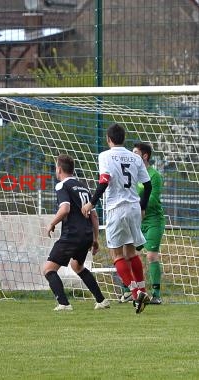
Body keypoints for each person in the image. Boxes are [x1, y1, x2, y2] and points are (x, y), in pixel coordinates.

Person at [81, 123, 153, 314]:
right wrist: (143, 207)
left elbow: (104, 181)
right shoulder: (135, 157)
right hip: (134, 208)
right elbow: (148, 185)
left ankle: (135, 292)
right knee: (131, 253)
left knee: (117, 255)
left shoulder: (105, 155)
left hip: (116, 208)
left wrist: (91, 203)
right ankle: (143, 290)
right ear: (124, 138)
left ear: (108, 139)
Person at [44, 154, 110, 311]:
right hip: (86, 235)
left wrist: (52, 223)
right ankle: (101, 300)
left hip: (72, 235)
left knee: (48, 269)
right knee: (77, 266)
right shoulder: (83, 187)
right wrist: (94, 239)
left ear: (59, 169)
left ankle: (64, 304)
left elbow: (65, 208)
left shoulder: (62, 186)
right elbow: (93, 215)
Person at [118, 142, 165, 304]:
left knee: (151, 255)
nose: (132, 155)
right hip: (136, 220)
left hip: (152, 221)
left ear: (145, 156)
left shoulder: (154, 175)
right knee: (126, 254)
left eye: (135, 153)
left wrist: (134, 205)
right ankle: (129, 290)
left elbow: (151, 200)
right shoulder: (132, 174)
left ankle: (156, 295)